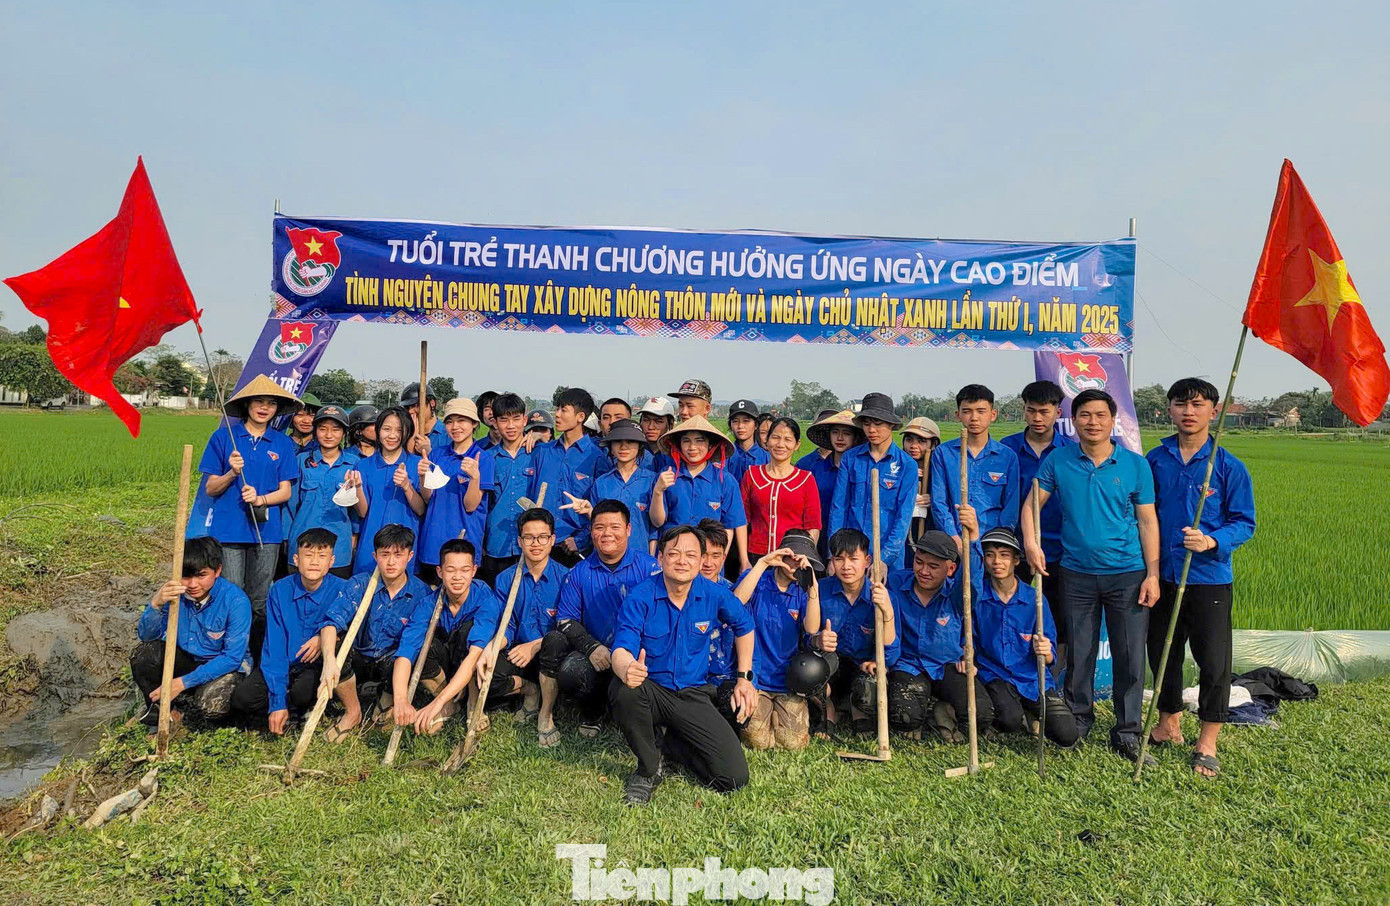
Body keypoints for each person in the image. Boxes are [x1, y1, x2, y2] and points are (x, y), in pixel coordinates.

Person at [1022, 388, 1161, 765]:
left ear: (1113, 420)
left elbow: (1148, 521)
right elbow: (1032, 505)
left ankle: (1128, 731)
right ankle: (1077, 722)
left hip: (1127, 573)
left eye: (1101, 415)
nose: (1093, 422)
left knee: (1130, 657)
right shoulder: (1058, 460)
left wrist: (1152, 574)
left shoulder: (1135, 465)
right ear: (1074, 420)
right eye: (1085, 415)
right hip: (1077, 573)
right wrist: (1031, 543)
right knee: (1079, 652)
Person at [1145, 378, 1256, 777]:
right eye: (1181, 404)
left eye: (1197, 404)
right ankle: (1167, 723)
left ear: (1214, 410)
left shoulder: (1227, 466)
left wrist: (1211, 540)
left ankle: (1207, 741)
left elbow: (1244, 522)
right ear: (1169, 410)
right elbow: (1142, 513)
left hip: (1209, 578)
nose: (1188, 412)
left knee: (1213, 661)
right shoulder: (1154, 461)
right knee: (1163, 653)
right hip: (1163, 575)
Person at [609, 525, 756, 805]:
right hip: (651, 689)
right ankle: (648, 769)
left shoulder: (713, 593)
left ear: (700, 561)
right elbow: (621, 647)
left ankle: (670, 744)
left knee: (733, 778)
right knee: (625, 689)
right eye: (674, 553)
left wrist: (744, 678)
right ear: (661, 557)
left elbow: (744, 626)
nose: (682, 561)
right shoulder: (641, 596)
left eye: (691, 555)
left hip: (693, 693)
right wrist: (627, 667)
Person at [539, 500, 661, 736]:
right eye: (599, 527)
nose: (607, 534)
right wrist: (591, 647)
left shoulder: (650, 568)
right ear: (591, 531)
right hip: (599, 655)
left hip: (638, 654)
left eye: (615, 527)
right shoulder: (579, 572)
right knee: (572, 671)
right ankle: (593, 711)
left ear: (628, 530)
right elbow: (565, 620)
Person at [193, 375, 301, 622]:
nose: (265, 408)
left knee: (259, 599)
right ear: (247, 404)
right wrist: (232, 473)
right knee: (231, 596)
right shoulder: (223, 438)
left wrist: (260, 499)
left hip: (266, 533)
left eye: (271, 403)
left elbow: (285, 491)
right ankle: (232, 645)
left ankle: (256, 646)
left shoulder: (282, 442)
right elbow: (211, 488)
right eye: (259, 401)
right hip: (229, 531)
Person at [319, 525, 440, 739]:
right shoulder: (360, 583)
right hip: (361, 656)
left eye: (398, 555)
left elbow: (411, 645)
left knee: (418, 650)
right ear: (375, 556)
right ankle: (353, 712)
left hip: (393, 662)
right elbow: (331, 623)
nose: (391, 562)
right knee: (334, 646)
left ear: (410, 556)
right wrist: (329, 660)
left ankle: (388, 696)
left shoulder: (421, 594)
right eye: (385, 555)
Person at [229, 528, 350, 734]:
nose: (314, 562)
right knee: (243, 698)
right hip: (285, 661)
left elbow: (349, 629)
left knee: (301, 694)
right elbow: (275, 647)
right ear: (296, 559)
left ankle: (301, 709)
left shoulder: (343, 589)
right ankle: (280, 706)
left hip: (315, 665)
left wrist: (323, 638)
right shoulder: (279, 590)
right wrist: (277, 702)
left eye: (322, 556)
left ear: (331, 561)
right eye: (308, 555)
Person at [130, 537, 250, 729]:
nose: (193, 584)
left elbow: (232, 657)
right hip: (187, 659)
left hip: (221, 666)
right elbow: (147, 637)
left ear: (217, 570)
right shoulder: (174, 595)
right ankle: (164, 713)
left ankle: (198, 714)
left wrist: (182, 683)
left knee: (212, 704)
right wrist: (156, 604)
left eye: (201, 576)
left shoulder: (236, 601)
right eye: (186, 576)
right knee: (144, 655)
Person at [882, 529, 990, 741]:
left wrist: (973, 538)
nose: (923, 571)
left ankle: (942, 708)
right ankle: (925, 709)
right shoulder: (894, 584)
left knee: (982, 715)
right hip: (908, 664)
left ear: (951, 569)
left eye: (933, 566)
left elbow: (973, 579)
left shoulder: (958, 593)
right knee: (904, 718)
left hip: (947, 665)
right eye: (919, 562)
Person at [974, 528, 1077, 747]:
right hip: (994, 674)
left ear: (1016, 560)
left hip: (1031, 678)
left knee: (1066, 734)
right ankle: (1015, 714)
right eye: (990, 555)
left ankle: (1030, 713)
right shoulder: (977, 596)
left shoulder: (1035, 600)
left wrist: (1046, 652)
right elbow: (969, 641)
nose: (996, 562)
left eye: (1004, 555)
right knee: (1009, 720)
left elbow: (1050, 655)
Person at [1000, 380, 1074, 653]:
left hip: (1060, 549)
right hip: (1014, 547)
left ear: (1058, 412)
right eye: (1032, 411)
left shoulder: (1070, 453)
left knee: (1060, 618)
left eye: (1044, 411)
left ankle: (1055, 675)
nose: (1038, 418)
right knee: (1011, 613)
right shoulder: (1006, 450)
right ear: (1024, 410)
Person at [487, 508, 571, 746]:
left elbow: (568, 627)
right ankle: (530, 690)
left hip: (554, 656)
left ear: (552, 540)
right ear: (519, 541)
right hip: (519, 655)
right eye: (529, 537)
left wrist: (534, 646)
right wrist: (492, 648)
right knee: (486, 673)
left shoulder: (566, 578)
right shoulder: (506, 579)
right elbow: (507, 624)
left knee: (554, 641)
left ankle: (546, 713)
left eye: (542, 537)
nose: (535, 543)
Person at [732, 531, 822, 750]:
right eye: (792, 557)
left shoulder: (802, 590)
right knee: (757, 741)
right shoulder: (757, 579)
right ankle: (767, 716)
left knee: (793, 743)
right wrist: (763, 562)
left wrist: (813, 587)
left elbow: (812, 628)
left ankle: (787, 713)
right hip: (755, 677)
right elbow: (735, 603)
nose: (797, 564)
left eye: (803, 560)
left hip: (788, 680)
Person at [410, 539, 503, 736]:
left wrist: (436, 704)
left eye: (464, 570)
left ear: (474, 570)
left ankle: (472, 703)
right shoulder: (430, 602)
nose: (457, 577)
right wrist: (401, 699)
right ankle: (450, 701)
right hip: (449, 661)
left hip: (473, 660)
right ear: (439, 572)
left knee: (469, 634)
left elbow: (474, 656)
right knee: (420, 647)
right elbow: (406, 649)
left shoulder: (485, 599)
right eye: (451, 570)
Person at [813, 528, 898, 734]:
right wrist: (817, 640)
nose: (846, 566)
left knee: (871, 681)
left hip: (861, 666)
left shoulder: (881, 596)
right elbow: (804, 636)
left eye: (853, 559)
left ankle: (858, 709)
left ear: (867, 561)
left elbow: (893, 650)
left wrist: (887, 612)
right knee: (806, 670)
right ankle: (828, 709)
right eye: (839, 559)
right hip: (829, 664)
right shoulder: (819, 590)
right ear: (832, 561)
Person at [828, 393, 917, 571]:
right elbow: (839, 508)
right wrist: (833, 555)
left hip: (888, 557)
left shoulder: (907, 465)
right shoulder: (850, 459)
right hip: (851, 554)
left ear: (891, 424)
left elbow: (903, 517)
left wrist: (884, 558)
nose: (871, 430)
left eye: (878, 424)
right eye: (867, 424)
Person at [650, 415, 750, 572]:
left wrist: (719, 559)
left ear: (710, 445)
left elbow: (730, 525)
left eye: (699, 441)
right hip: (674, 557)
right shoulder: (666, 475)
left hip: (708, 561)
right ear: (678, 444)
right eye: (686, 441)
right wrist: (658, 491)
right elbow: (657, 522)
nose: (692, 447)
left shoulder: (725, 480)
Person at [930, 385, 1020, 551]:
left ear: (993, 414)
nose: (974, 418)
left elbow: (1011, 506)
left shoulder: (1007, 456)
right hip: (954, 542)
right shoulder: (943, 453)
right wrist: (953, 537)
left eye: (981, 411)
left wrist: (999, 540)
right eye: (967, 411)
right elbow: (939, 502)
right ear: (958, 415)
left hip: (992, 542)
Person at [417, 398, 495, 583]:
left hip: (464, 539)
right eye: (450, 421)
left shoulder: (483, 459)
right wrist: (422, 477)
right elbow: (428, 497)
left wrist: (474, 478)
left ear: (474, 424)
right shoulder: (437, 454)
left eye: (462, 421)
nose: (455, 427)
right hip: (434, 539)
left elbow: (471, 505)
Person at [344, 407, 425, 575]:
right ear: (378, 430)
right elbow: (362, 512)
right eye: (387, 429)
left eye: (399, 430)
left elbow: (421, 509)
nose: (392, 435)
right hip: (371, 543)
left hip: (405, 545)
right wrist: (357, 487)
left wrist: (406, 486)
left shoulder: (417, 464)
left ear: (407, 432)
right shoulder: (363, 465)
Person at [531, 388, 604, 566]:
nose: (556, 414)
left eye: (563, 410)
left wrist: (581, 540)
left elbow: (601, 508)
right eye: (557, 409)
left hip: (574, 548)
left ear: (580, 417)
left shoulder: (596, 457)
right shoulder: (542, 452)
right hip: (540, 543)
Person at [285, 405, 358, 580]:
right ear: (315, 431)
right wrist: (286, 539)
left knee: (337, 592)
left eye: (335, 429)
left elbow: (357, 510)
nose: (329, 435)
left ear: (344, 433)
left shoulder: (355, 464)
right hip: (303, 542)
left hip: (339, 545)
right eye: (323, 429)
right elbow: (289, 506)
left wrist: (354, 537)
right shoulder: (301, 461)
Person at [562, 419, 658, 553]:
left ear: (640, 446)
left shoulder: (652, 481)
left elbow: (655, 529)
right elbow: (596, 524)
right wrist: (590, 512)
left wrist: (652, 560)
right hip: (605, 556)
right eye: (618, 441)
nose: (623, 447)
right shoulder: (601, 483)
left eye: (630, 441)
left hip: (640, 557)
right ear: (611, 446)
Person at [741, 416, 821, 559]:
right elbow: (742, 521)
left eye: (788, 439)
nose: (780, 444)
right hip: (756, 556)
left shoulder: (805, 480)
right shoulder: (752, 475)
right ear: (767, 441)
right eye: (775, 437)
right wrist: (743, 560)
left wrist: (804, 558)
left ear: (797, 445)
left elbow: (813, 525)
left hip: (792, 558)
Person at [480, 392, 535, 583]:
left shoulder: (538, 453)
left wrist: (537, 436)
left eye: (516, 419)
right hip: (496, 543)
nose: (510, 426)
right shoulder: (487, 458)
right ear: (495, 422)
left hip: (531, 543)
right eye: (504, 420)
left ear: (525, 420)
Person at [798, 409, 863, 560]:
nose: (840, 438)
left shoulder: (861, 470)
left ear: (855, 437)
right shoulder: (815, 468)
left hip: (853, 540)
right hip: (819, 536)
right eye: (835, 432)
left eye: (846, 433)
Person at [899, 417, 941, 567]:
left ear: (933, 444)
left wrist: (934, 498)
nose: (913, 446)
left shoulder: (939, 471)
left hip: (929, 532)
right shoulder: (896, 467)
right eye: (909, 439)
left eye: (921, 441)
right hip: (903, 535)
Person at [726, 399, 770, 483]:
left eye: (746, 421)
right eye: (735, 421)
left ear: (756, 425)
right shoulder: (724, 457)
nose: (740, 426)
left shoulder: (767, 458)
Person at [401, 381, 449, 456]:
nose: (410, 411)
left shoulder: (448, 434)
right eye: (407, 407)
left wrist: (429, 452)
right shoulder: (402, 434)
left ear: (432, 403)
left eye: (415, 405)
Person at [635, 396, 676, 472]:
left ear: (670, 424)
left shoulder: (676, 453)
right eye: (646, 420)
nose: (651, 427)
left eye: (658, 422)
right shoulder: (633, 451)